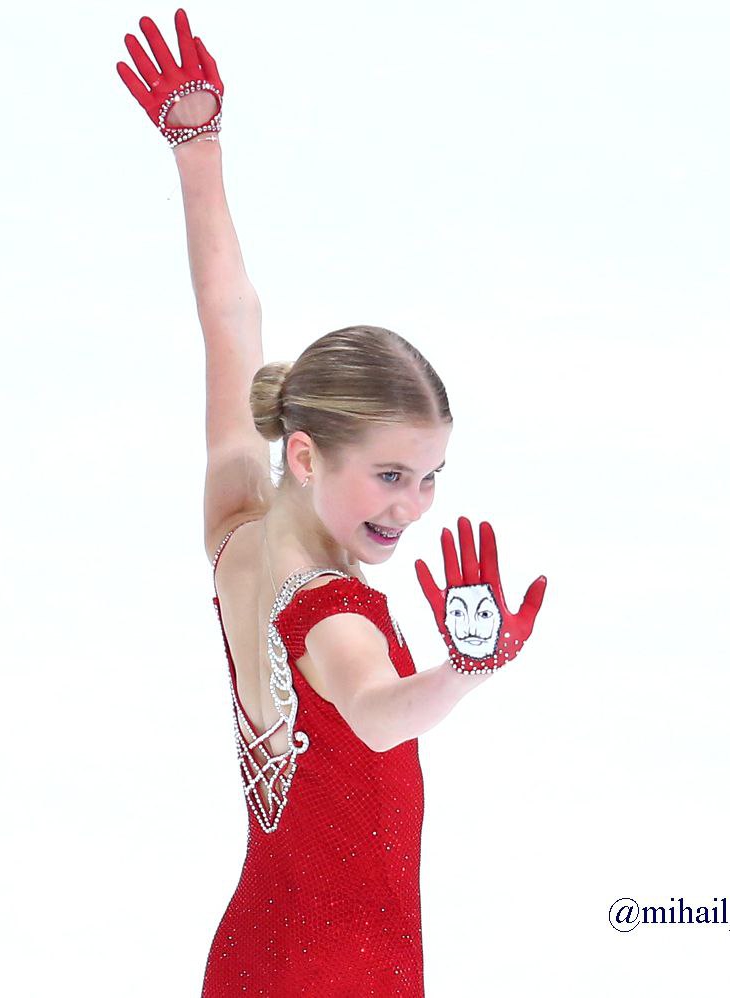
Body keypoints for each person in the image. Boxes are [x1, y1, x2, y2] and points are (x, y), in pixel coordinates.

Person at [116, 10, 548, 995]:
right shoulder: (333, 610)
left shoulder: (237, 523)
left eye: (431, 476)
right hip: (342, 970)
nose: (414, 506)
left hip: (255, 947)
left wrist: (197, 148)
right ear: (307, 454)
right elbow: (379, 713)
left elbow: (230, 321)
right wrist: (467, 668)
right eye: (390, 476)